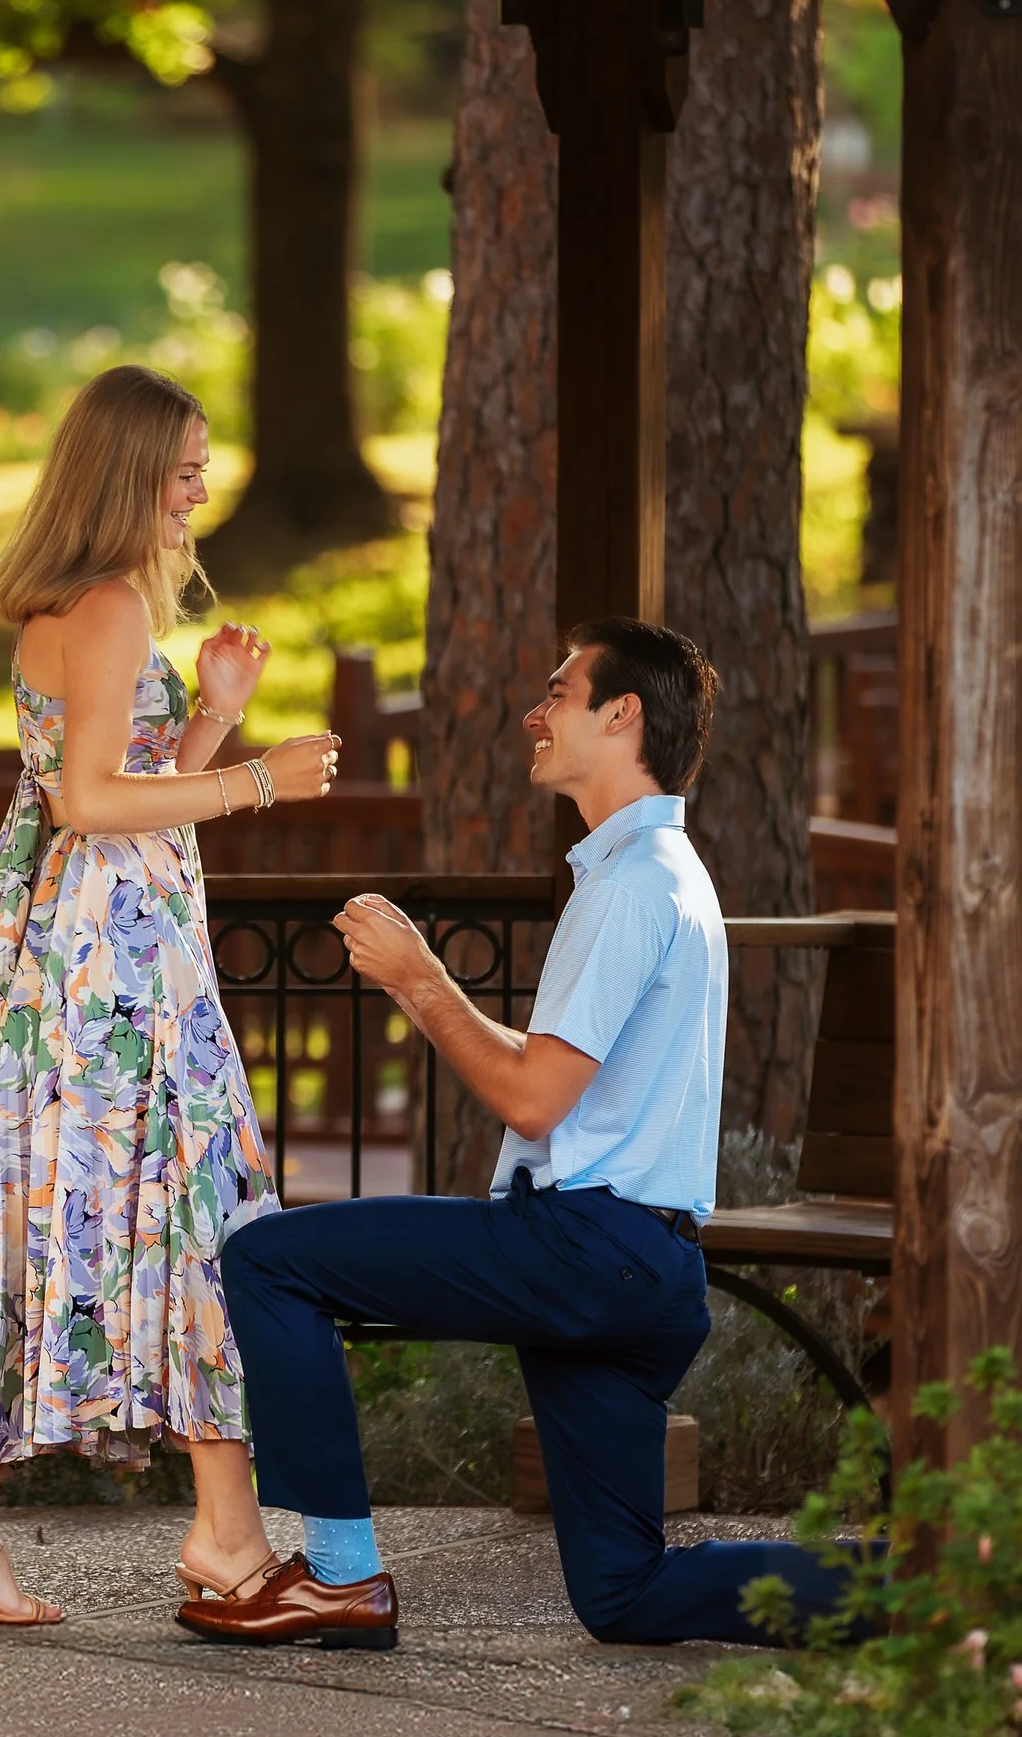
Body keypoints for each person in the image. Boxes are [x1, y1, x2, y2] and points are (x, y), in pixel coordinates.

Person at [182, 617, 867, 1651]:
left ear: (621, 713)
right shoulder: (655, 871)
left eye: (558, 692)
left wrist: (421, 980)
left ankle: (338, 1574)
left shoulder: (637, 884)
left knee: (269, 1261)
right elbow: (564, 1074)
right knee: (623, 1593)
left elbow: (534, 1100)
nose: (532, 713)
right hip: (641, 1273)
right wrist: (437, 993)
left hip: (586, 1251)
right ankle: (912, 1591)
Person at [0, 365, 340, 1626]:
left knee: (89, 1206)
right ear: (125, 475)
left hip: (101, 953)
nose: (200, 489)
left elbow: (112, 789)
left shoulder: (77, 609)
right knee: (191, 1209)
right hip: (117, 973)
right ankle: (227, 1539)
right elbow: (91, 804)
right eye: (183, 467)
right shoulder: (101, 610)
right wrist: (259, 779)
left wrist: (209, 717)